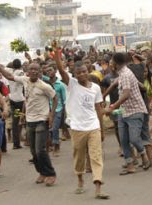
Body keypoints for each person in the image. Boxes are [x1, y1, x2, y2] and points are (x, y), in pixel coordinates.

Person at [54, 43, 109, 199]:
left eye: (84, 71)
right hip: (77, 127)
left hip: (93, 126)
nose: (82, 75)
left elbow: (98, 109)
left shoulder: (96, 88)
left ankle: (98, 186)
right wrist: (57, 53)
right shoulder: (71, 84)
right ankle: (80, 179)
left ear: (88, 71)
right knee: (79, 156)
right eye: (78, 73)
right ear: (75, 74)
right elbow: (60, 70)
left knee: (96, 156)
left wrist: (102, 129)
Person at [0, 61, 58, 186]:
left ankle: (51, 174)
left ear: (40, 71)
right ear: (28, 71)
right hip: (30, 120)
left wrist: (51, 115)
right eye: (31, 69)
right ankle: (42, 172)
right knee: (33, 151)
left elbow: (55, 98)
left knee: (40, 150)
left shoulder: (44, 86)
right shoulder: (25, 80)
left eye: (36, 69)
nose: (34, 71)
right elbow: (9, 76)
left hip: (41, 120)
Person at [104, 53, 151, 175]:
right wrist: (102, 97)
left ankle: (143, 154)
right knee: (124, 140)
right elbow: (113, 84)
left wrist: (113, 107)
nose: (110, 64)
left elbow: (126, 94)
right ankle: (130, 165)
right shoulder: (122, 73)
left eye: (111, 62)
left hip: (135, 110)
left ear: (116, 63)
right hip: (123, 111)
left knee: (134, 139)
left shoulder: (125, 74)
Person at [45, 66, 66, 157]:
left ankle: (56, 146)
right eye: (47, 70)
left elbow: (64, 99)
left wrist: (65, 113)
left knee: (55, 127)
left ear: (55, 71)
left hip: (58, 108)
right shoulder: (45, 84)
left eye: (51, 70)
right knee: (48, 128)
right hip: (47, 109)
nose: (49, 72)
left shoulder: (60, 85)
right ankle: (50, 145)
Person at [6, 59, 25, 149]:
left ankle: (16, 143)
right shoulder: (21, 73)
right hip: (20, 101)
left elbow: (3, 68)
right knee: (23, 120)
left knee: (15, 121)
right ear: (20, 65)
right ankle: (24, 140)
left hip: (12, 99)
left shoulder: (9, 72)